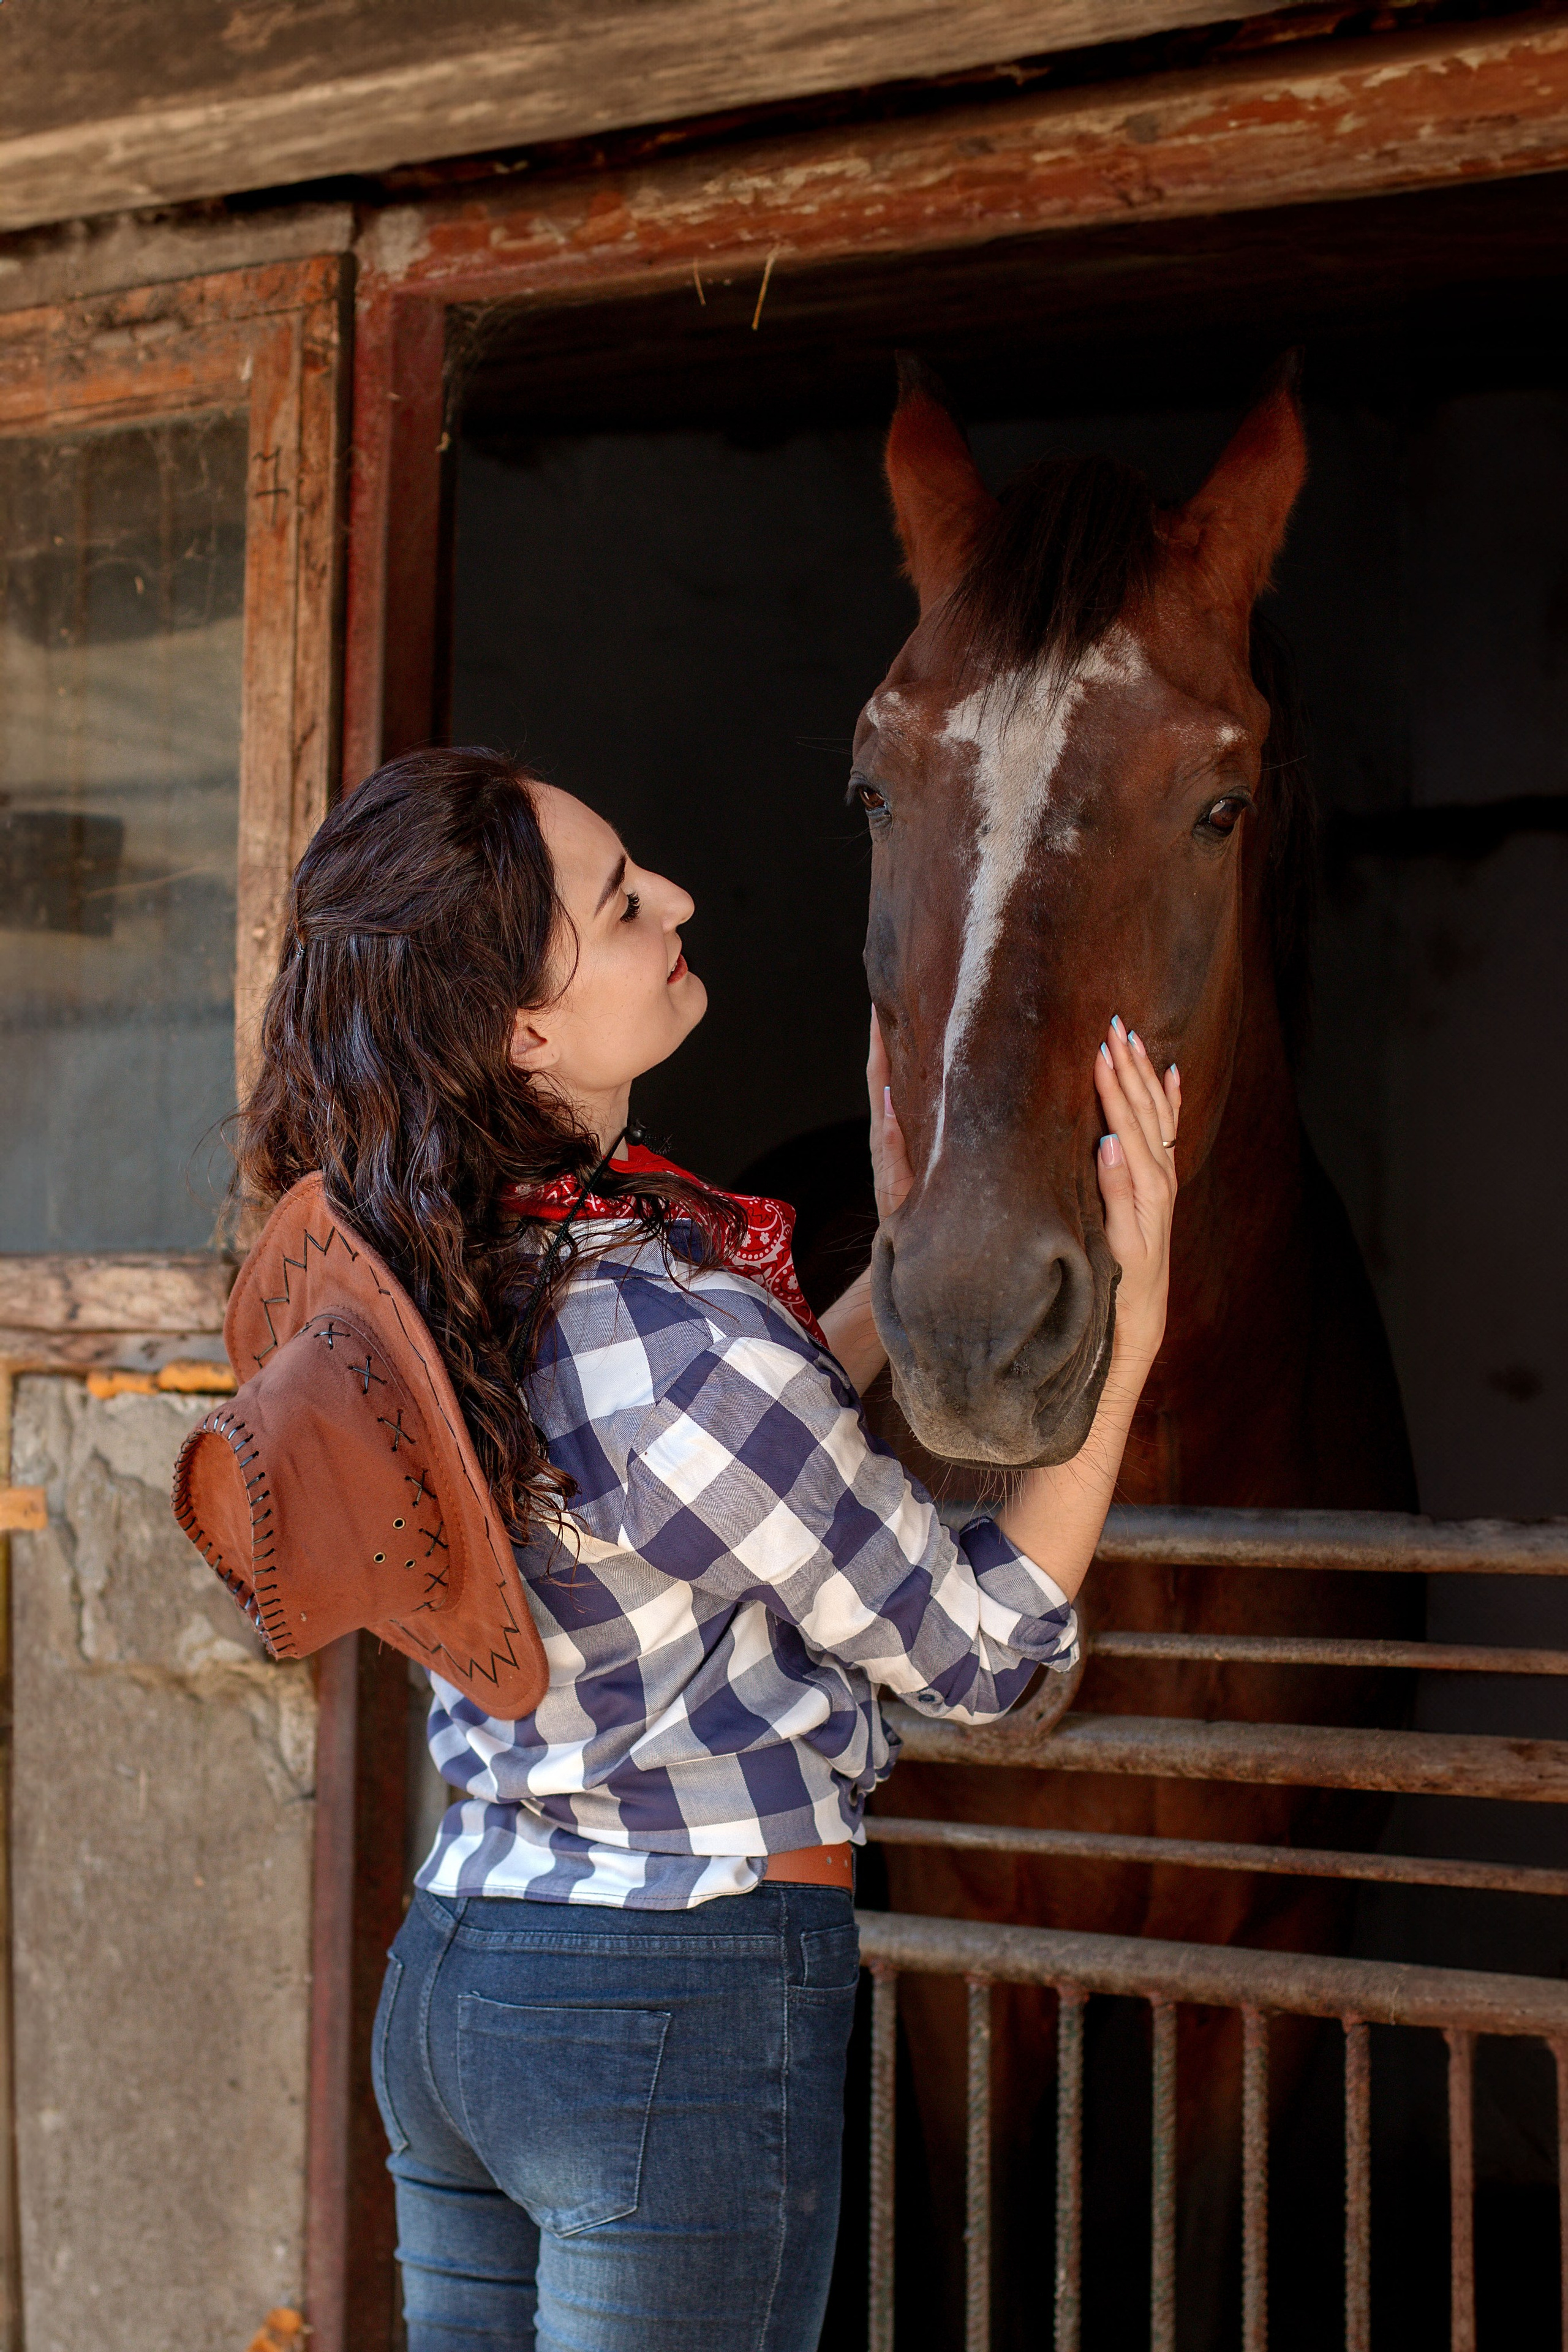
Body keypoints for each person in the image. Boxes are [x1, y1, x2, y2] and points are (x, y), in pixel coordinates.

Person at [236, 745, 1180, 2352]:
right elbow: (981, 1648)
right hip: (670, 2000)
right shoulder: (678, 1338)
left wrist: (875, 1282)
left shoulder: (430, 1277)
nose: (675, 900)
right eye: (618, 907)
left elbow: (690, 1456)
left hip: (465, 1964)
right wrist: (1129, 1338)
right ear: (526, 1030)